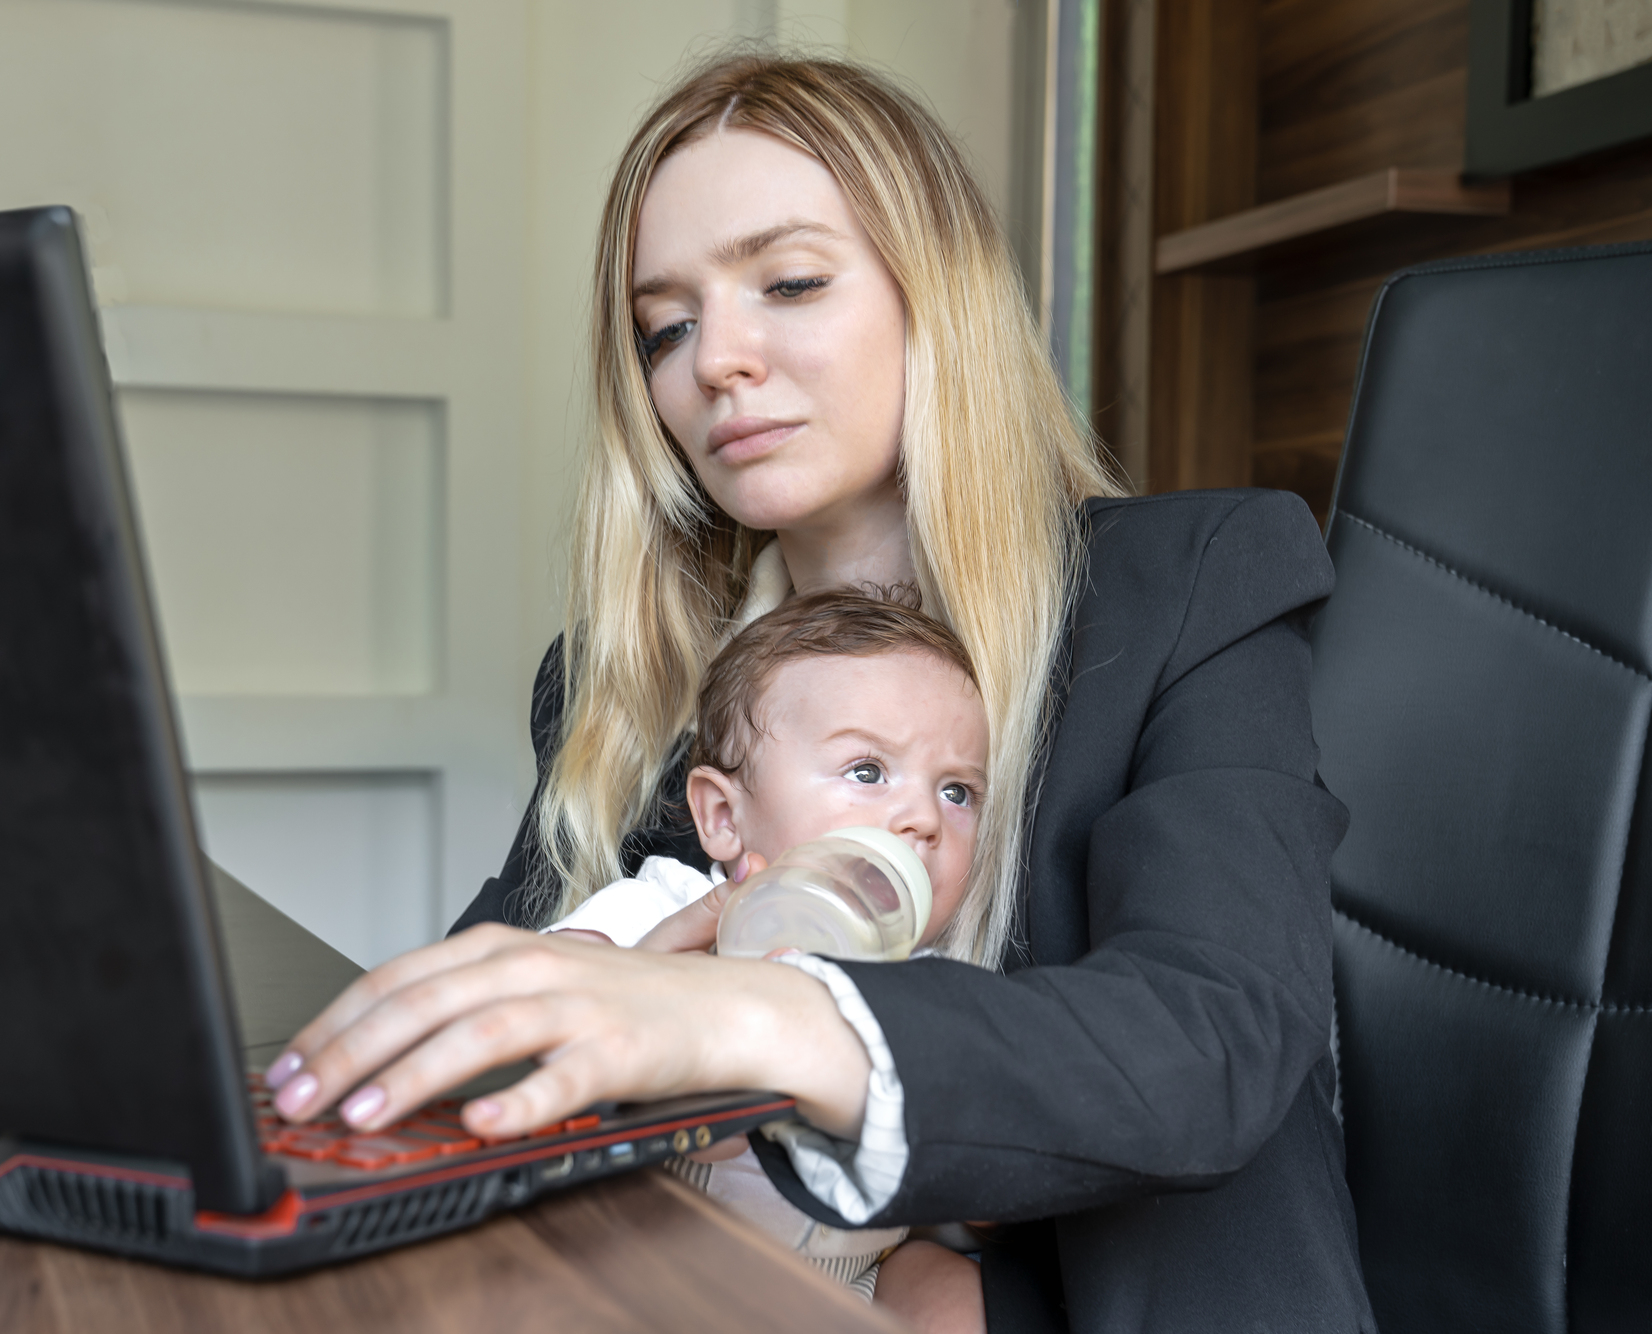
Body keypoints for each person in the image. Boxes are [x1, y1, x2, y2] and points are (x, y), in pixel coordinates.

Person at [265, 53, 1377, 1334]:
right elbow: (502, 1023)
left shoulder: (1192, 585)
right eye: (663, 326)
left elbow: (1217, 1035)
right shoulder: (621, 683)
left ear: (934, 294)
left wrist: (757, 1016)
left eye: (787, 283)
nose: (715, 363)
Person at [548, 589, 992, 1309]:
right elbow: (537, 1006)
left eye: (957, 792)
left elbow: (992, 1191)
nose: (920, 819)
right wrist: (629, 991)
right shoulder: (662, 909)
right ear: (724, 816)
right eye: (868, 771)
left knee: (950, 1287)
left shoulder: (941, 985)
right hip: (642, 1275)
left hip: (846, 1289)